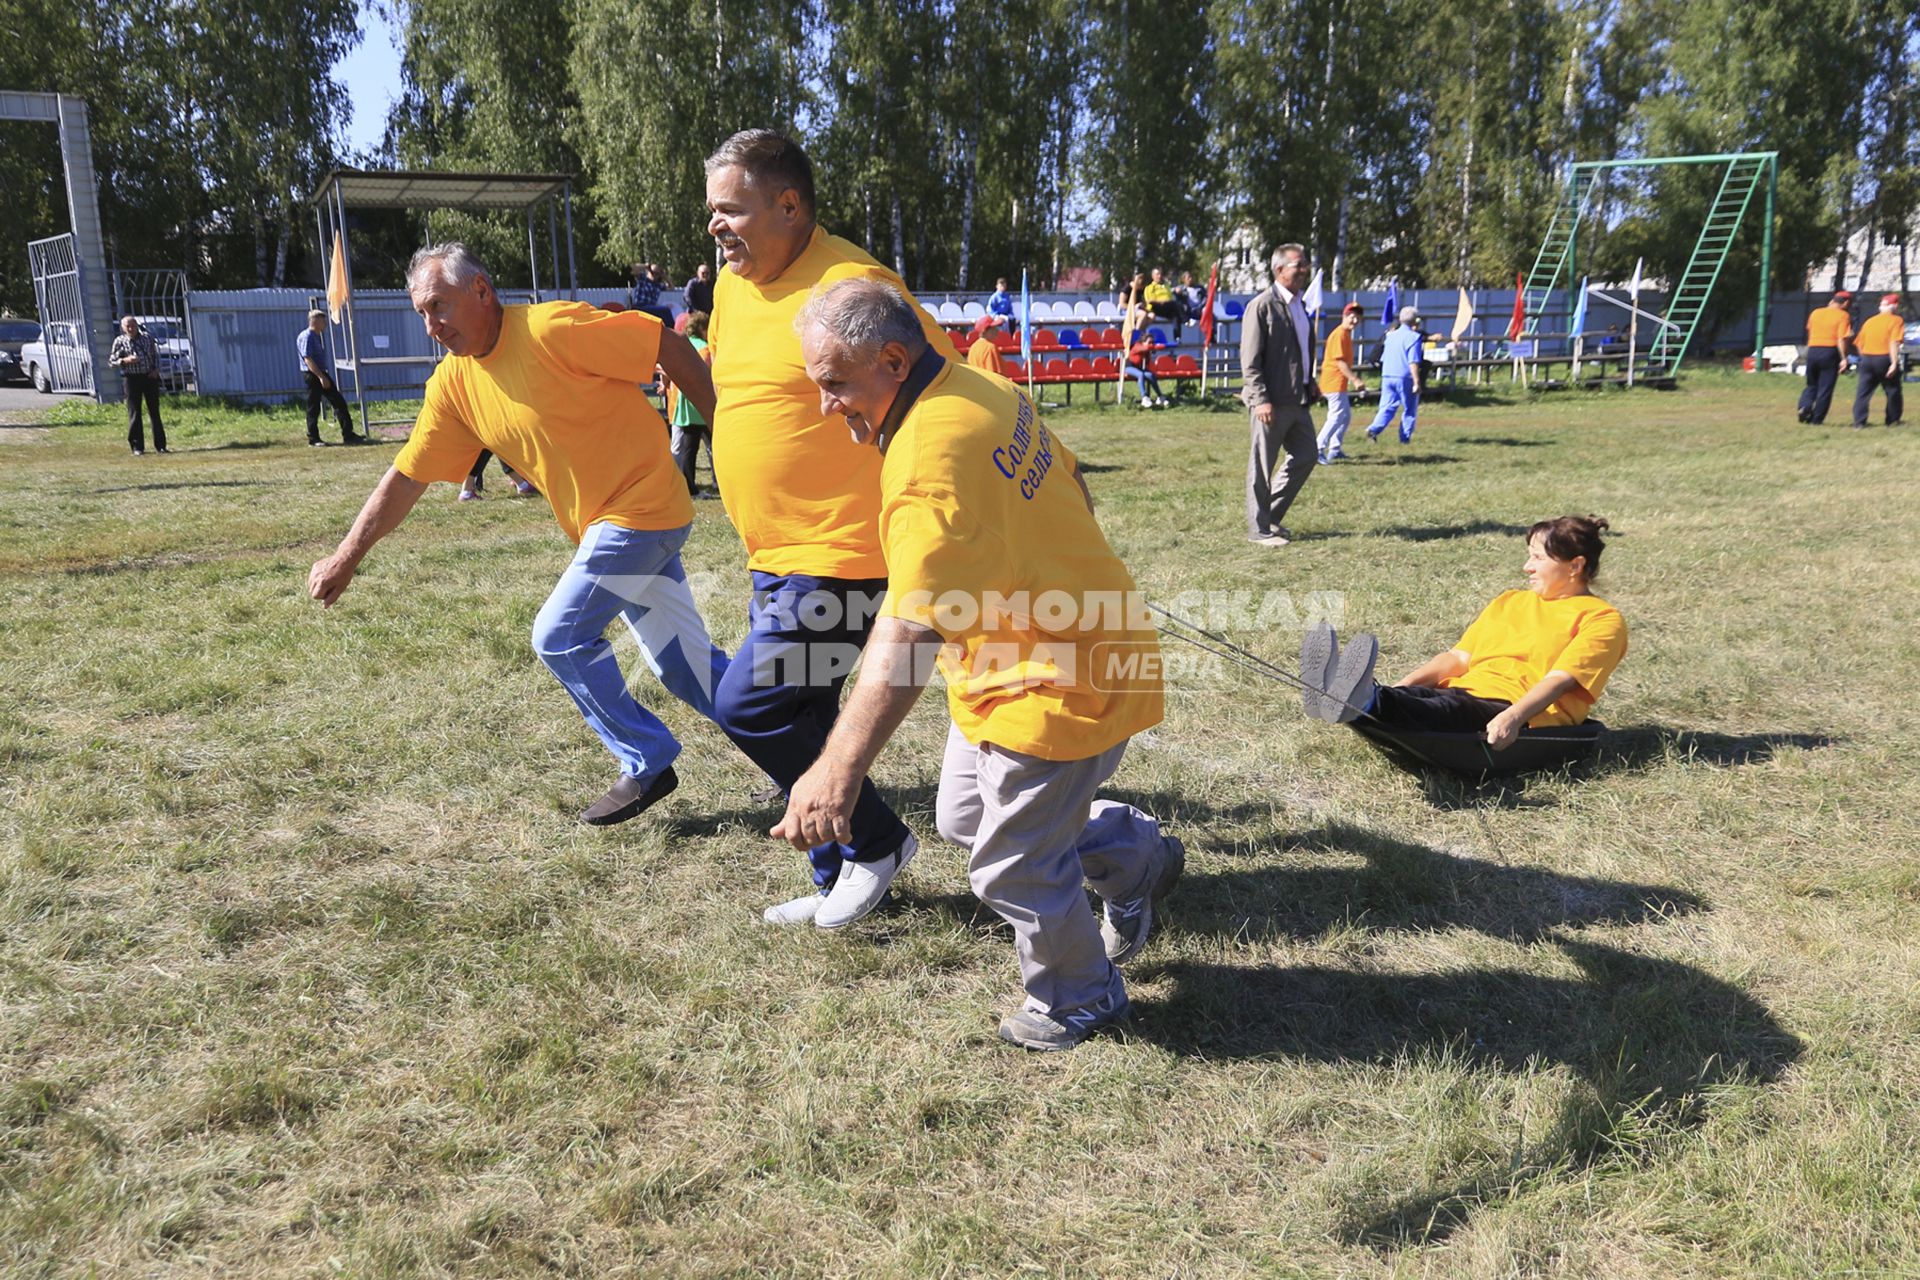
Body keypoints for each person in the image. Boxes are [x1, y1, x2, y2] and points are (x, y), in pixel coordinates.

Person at [783, 278, 1182, 1050]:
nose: (827, 405)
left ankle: (1081, 998)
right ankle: (1133, 856)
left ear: (893, 361)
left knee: (1010, 868)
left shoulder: (929, 463)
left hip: (1061, 679)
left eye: (834, 384)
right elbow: (1070, 481)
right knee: (966, 819)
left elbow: (905, 638)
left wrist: (838, 771)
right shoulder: (980, 382)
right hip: (1018, 660)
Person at [307, 242, 729, 826]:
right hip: (610, 526)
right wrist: (347, 555)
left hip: (642, 513)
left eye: (439, 306)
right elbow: (407, 475)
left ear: (481, 290)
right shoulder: (454, 385)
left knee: (558, 635)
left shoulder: (553, 328)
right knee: (689, 668)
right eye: (421, 314)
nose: (432, 326)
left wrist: (725, 433)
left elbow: (664, 344)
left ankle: (648, 758)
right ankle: (807, 752)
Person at [703, 128, 955, 928]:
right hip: (770, 550)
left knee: (750, 705)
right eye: (710, 210)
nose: (715, 226)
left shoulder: (852, 284)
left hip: (842, 551)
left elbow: (937, 386)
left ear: (789, 205)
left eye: (731, 209)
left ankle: (876, 843)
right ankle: (837, 869)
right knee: (802, 712)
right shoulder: (732, 286)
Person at [1299, 516, 1627, 750]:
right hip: (1463, 692)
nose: (1527, 567)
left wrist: (1513, 717)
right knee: (1419, 700)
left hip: (1516, 708)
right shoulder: (1510, 601)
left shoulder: (1601, 619)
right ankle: (1359, 694)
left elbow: (1561, 680)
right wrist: (1402, 686)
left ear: (1575, 566)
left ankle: (1360, 697)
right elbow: (1457, 658)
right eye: (1529, 556)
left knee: (1441, 712)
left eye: (1538, 558)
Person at [1240, 243, 1321, 547]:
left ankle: (1270, 516)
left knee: (1307, 455)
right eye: (1298, 265)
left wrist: (1309, 380)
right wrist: (1260, 398)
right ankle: (1259, 531)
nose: (1303, 270)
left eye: (1305, 264)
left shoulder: (1300, 304)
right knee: (1261, 466)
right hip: (1270, 402)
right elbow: (1249, 358)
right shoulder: (1262, 306)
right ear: (1279, 270)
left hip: (1297, 399)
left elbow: (1300, 350)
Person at [297, 310, 363, 447]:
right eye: (323, 321)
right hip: (314, 375)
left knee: (339, 402)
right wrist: (321, 377)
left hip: (321, 373)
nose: (325, 324)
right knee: (313, 407)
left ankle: (348, 434)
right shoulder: (307, 336)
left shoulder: (316, 336)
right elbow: (308, 359)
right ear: (315, 321)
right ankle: (313, 438)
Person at [669, 309, 716, 492]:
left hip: (685, 403)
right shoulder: (705, 348)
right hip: (703, 402)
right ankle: (718, 482)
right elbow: (711, 373)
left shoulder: (683, 345)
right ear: (703, 328)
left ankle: (689, 486)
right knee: (714, 447)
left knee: (689, 449)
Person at [1365, 305, 1424, 444]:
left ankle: (1373, 429)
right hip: (1404, 377)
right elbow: (1413, 361)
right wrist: (1416, 381)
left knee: (1387, 406)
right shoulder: (1414, 337)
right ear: (1415, 321)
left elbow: (1384, 357)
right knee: (1409, 409)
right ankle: (1405, 437)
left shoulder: (1390, 336)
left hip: (1387, 375)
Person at [110, 315, 167, 456]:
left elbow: (155, 356)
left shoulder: (147, 338)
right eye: (127, 326)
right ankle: (137, 447)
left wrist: (156, 370)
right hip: (132, 379)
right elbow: (111, 361)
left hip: (149, 377)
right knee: (135, 412)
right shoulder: (120, 341)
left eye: (133, 326)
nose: (131, 329)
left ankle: (160, 446)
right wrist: (125, 360)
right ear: (123, 328)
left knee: (154, 411)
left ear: (137, 326)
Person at [1315, 302, 1365, 463]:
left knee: (1345, 417)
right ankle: (1317, 448)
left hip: (1338, 383)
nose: (1355, 320)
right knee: (1336, 417)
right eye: (1352, 316)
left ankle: (1335, 449)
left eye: (1357, 317)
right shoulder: (1339, 334)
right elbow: (1340, 362)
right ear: (1344, 316)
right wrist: (1355, 379)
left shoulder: (1345, 334)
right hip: (1333, 382)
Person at [1798, 291, 1854, 423]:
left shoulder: (1816, 312)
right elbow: (1841, 338)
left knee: (1811, 384)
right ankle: (1816, 419)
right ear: (1845, 303)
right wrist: (1844, 358)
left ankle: (1804, 406)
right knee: (1825, 388)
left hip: (1813, 349)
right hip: (1830, 351)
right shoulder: (1843, 316)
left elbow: (1810, 329)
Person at [1851, 293, 1904, 428]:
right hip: (1884, 357)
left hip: (1867, 358)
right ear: (1895, 306)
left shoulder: (1870, 321)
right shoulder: (1896, 320)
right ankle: (1892, 420)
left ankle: (1859, 422)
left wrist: (1864, 358)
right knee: (1892, 390)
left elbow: (1858, 343)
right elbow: (1894, 342)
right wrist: (1893, 362)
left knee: (1863, 392)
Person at [1126, 326, 1169, 407]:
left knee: (1150, 375)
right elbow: (1143, 349)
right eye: (1149, 342)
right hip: (1129, 368)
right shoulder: (1137, 346)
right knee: (1140, 374)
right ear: (1143, 342)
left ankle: (1160, 397)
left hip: (1139, 368)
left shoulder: (1147, 351)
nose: (1151, 344)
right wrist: (1157, 346)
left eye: (1153, 342)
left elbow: (1148, 361)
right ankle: (1144, 397)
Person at [629, 262, 673, 327]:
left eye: (657, 274)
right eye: (653, 273)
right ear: (649, 271)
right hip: (640, 306)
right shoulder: (642, 278)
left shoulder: (658, 285)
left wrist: (664, 276)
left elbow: (671, 287)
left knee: (664, 314)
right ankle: (672, 329)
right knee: (666, 311)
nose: (655, 275)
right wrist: (646, 266)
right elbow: (633, 267)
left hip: (651, 308)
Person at [1143, 266, 1180, 339]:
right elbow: (1150, 301)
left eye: (1160, 274)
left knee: (1175, 315)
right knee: (1175, 305)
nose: (1159, 276)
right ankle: (1186, 318)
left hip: (1167, 307)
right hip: (1156, 307)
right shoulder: (1150, 287)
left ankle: (1177, 337)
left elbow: (1170, 298)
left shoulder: (1166, 286)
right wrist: (1162, 301)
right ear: (1153, 276)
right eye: (1157, 274)